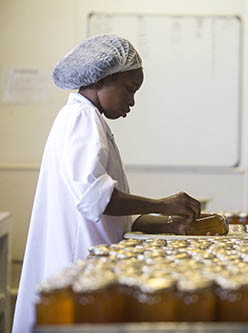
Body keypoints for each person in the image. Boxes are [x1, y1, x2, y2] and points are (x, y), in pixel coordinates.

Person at [13, 34, 202, 332]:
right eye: (129, 89)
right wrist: (164, 204)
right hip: (80, 269)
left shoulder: (86, 118)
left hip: (90, 269)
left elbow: (112, 213)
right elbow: (97, 200)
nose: (133, 100)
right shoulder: (81, 118)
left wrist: (168, 223)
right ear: (101, 78)